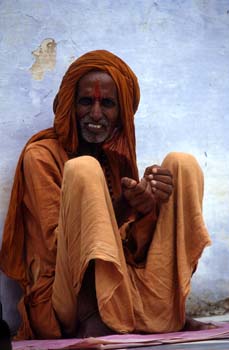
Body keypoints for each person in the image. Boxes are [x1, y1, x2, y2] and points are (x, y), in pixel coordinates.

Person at [0, 50, 212, 340]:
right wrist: (122, 208)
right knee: (84, 169)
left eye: (108, 104)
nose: (96, 114)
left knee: (182, 164)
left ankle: (172, 311)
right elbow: (57, 249)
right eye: (86, 101)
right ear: (70, 106)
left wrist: (148, 208)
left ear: (121, 113)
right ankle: (94, 316)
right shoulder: (42, 156)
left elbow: (128, 249)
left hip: (122, 289)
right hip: (67, 300)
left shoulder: (115, 159)